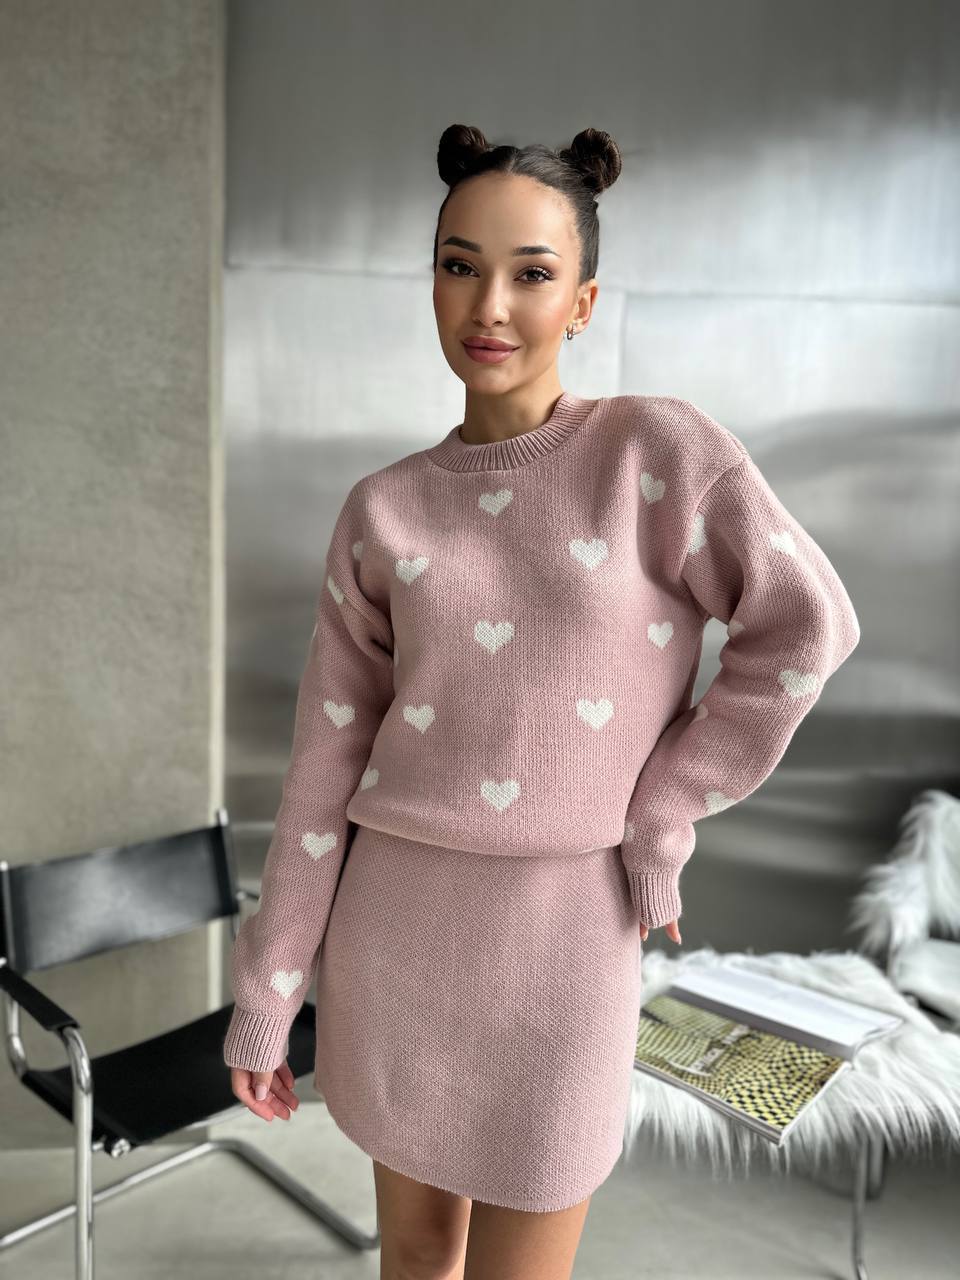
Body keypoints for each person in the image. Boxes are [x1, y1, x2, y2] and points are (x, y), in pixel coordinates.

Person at [223, 124, 861, 1280]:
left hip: (566, 940)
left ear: (583, 299)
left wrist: (665, 807)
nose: (491, 304)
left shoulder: (654, 452)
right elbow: (322, 770)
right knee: (416, 1263)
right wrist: (268, 993)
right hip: (395, 933)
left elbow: (806, 627)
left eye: (532, 273)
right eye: (460, 264)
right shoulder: (385, 510)